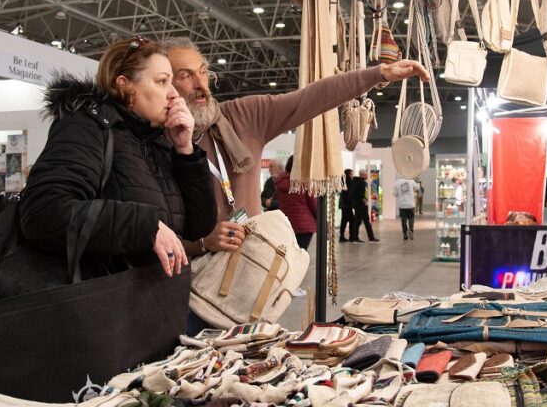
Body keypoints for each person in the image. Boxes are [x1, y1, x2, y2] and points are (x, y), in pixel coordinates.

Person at [159, 37, 428, 256]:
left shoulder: (243, 117)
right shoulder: (155, 141)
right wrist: (202, 243)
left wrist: (378, 74)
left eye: (203, 73)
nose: (200, 85)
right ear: (164, 84)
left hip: (251, 275)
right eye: (185, 76)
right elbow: (149, 231)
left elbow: (311, 98)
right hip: (189, 285)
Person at [19, 36, 217, 289]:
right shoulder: (88, 128)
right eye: (162, 82)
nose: (173, 94)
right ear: (126, 86)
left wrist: (185, 150)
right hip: (100, 307)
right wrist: (146, 226)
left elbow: (198, 226)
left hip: (153, 307)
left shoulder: (158, 141)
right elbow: (43, 211)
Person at [276, 155, 317, 250]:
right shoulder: (304, 182)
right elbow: (313, 205)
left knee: (290, 254)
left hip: (287, 224)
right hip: (304, 225)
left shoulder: (280, 181)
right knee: (301, 255)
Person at [348, 170, 380, 242]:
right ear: (362, 175)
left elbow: (353, 194)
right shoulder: (362, 183)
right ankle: (371, 238)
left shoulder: (354, 181)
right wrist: (365, 202)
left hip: (356, 204)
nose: (367, 176)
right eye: (365, 175)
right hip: (361, 205)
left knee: (357, 221)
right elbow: (361, 195)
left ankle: (355, 238)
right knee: (366, 222)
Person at [394, 175, 417, 240]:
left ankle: (405, 234)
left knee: (403, 220)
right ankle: (411, 229)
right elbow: (417, 187)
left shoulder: (397, 182)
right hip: (410, 204)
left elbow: (394, 194)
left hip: (402, 204)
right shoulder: (411, 180)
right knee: (411, 218)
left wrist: (400, 193)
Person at [338, 169, 355, 242]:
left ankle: (342, 236)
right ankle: (351, 236)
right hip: (347, 205)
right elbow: (348, 195)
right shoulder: (348, 183)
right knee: (352, 220)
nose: (352, 175)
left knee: (344, 220)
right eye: (351, 174)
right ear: (348, 175)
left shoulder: (343, 182)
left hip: (344, 205)